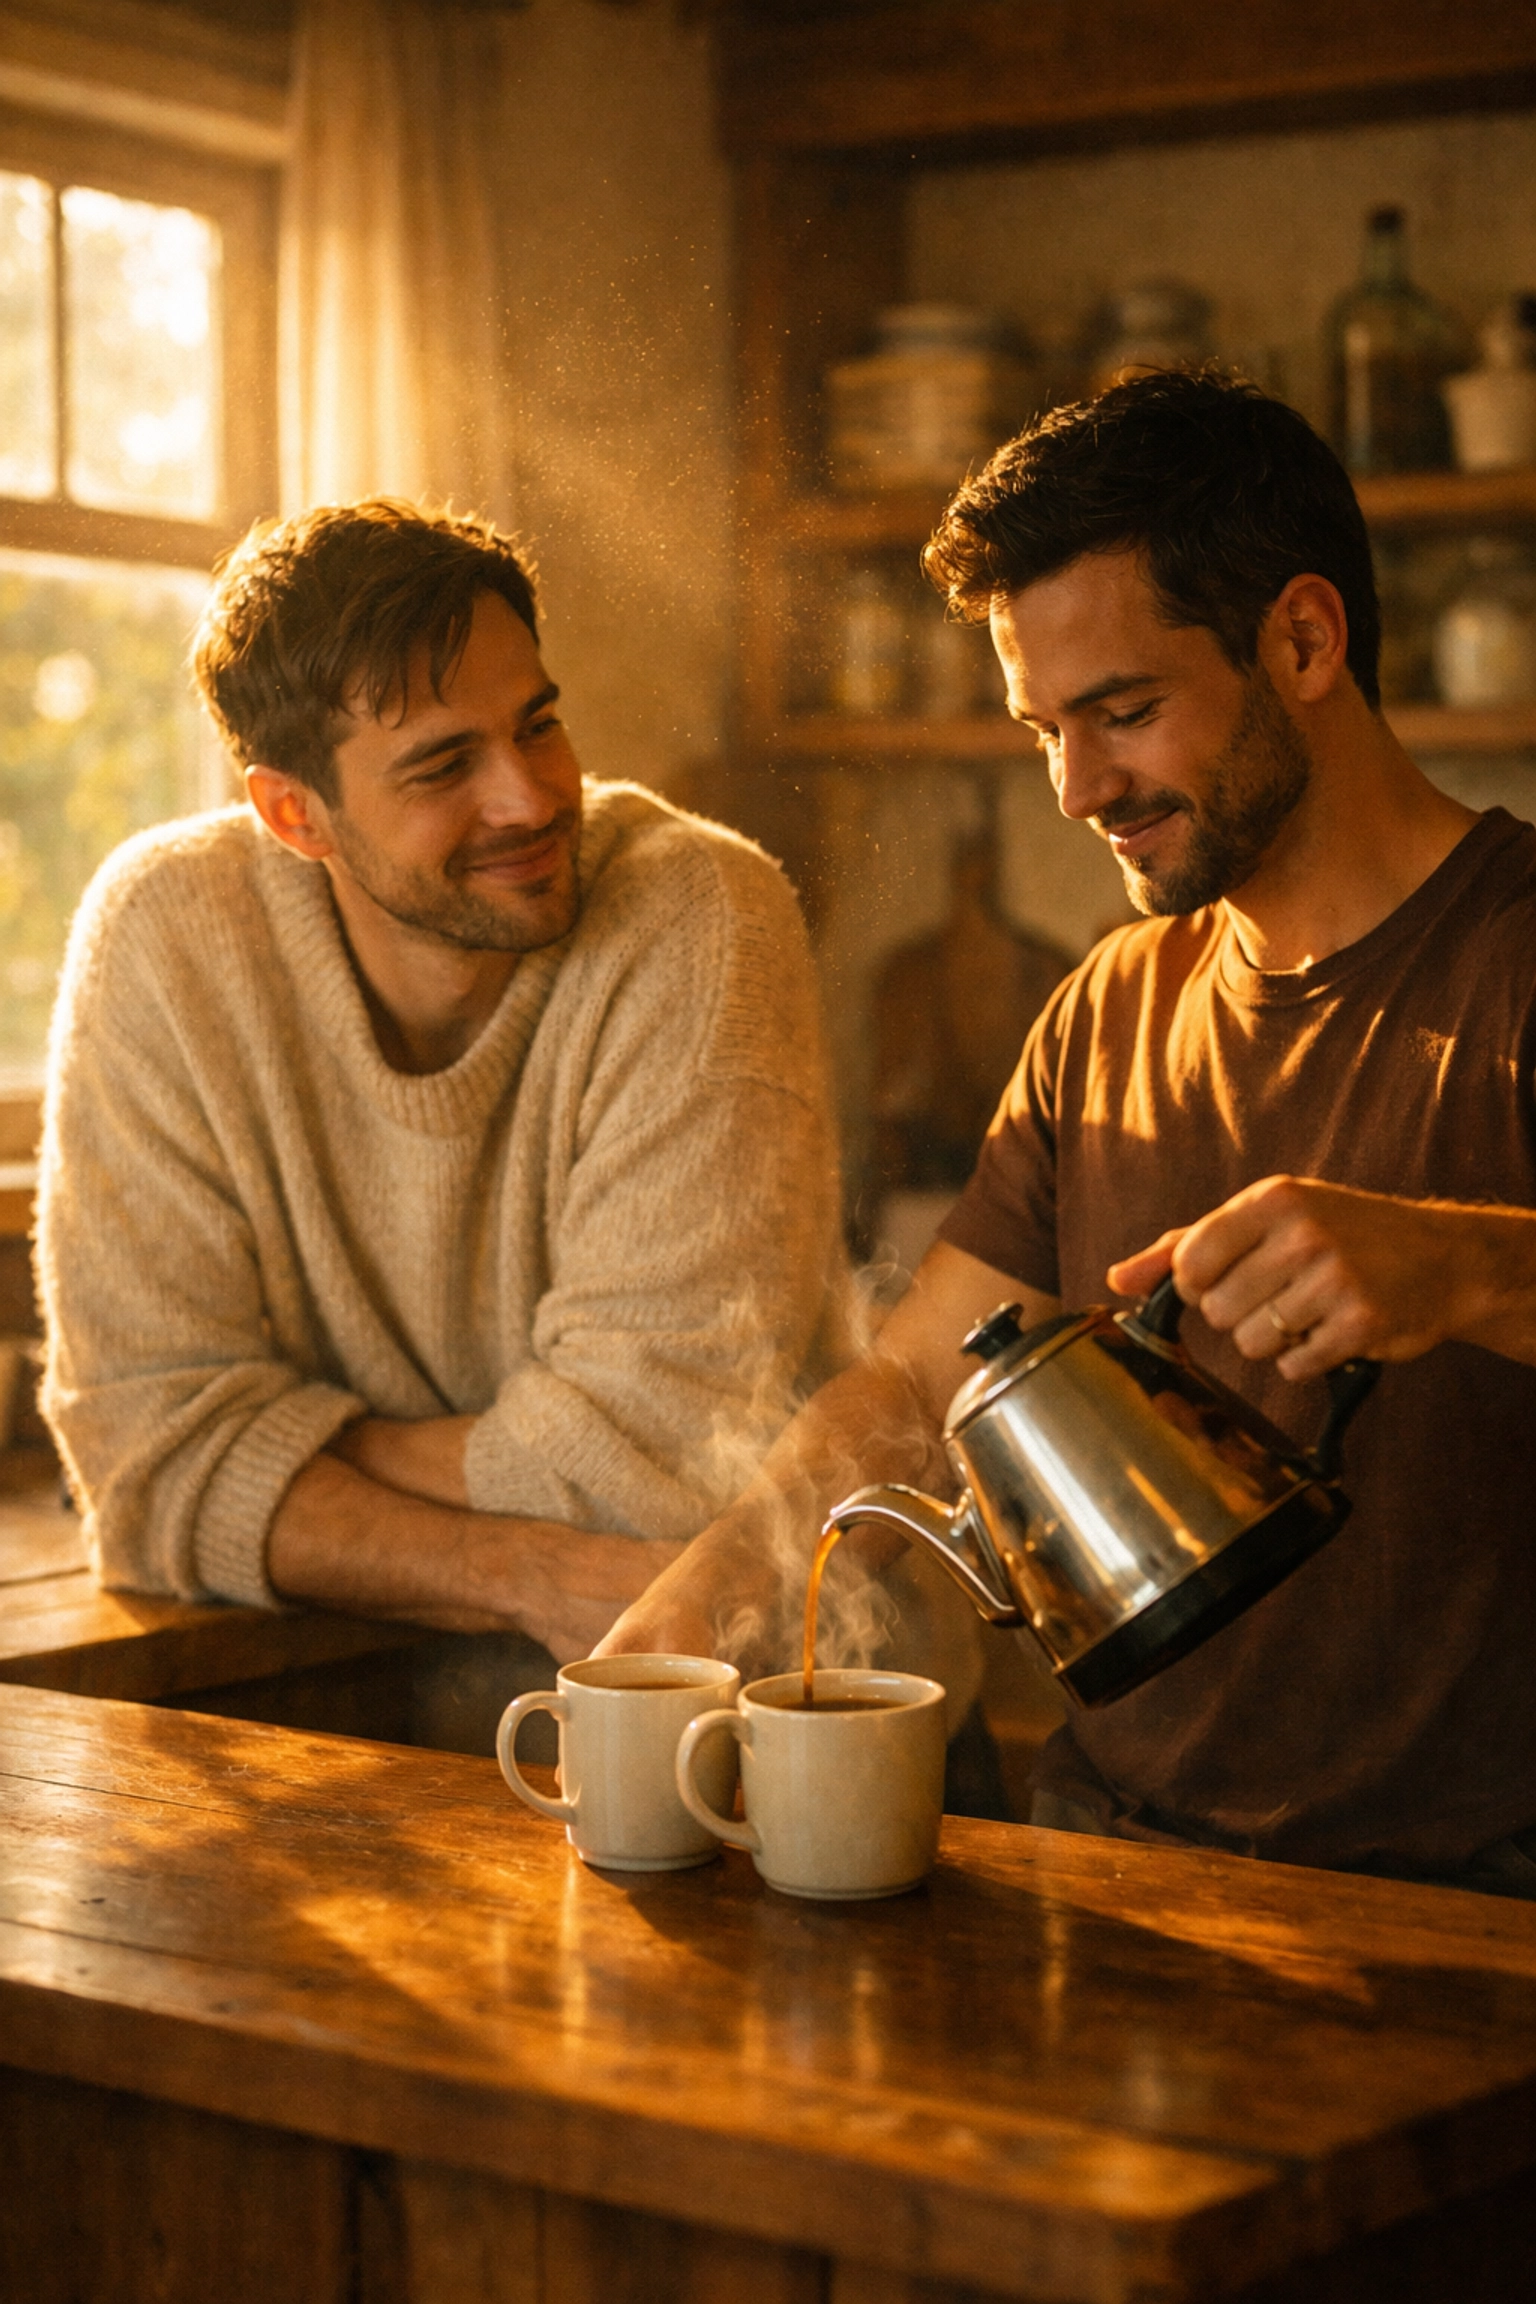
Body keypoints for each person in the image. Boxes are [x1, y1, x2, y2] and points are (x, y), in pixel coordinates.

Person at [601, 369, 1536, 1896]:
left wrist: (1467, 1268)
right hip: (1106, 1859)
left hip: (1471, 1898)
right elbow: (918, 1380)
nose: (1078, 788)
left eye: (1125, 713)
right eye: (1045, 728)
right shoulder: (1108, 1005)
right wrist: (705, 1607)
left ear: (1303, 639)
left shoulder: (1516, 957)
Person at [36, 499, 848, 1694]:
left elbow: (658, 1464)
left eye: (540, 725)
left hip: (766, 1725)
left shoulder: (703, 913)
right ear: (291, 813)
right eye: (443, 765)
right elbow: (143, 1469)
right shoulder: (164, 934)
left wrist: (304, 1451)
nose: (528, 799)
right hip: (372, 1760)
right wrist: (517, 1570)